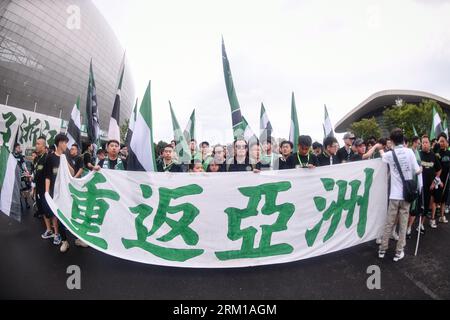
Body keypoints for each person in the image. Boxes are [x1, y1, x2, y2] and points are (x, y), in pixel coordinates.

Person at [378, 128, 421, 262]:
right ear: (403, 139)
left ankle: (382, 249)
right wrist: (421, 170)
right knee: (403, 224)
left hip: (394, 195)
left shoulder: (390, 154)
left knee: (389, 223)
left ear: (392, 141)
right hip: (406, 195)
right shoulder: (409, 152)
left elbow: (382, 155)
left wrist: (379, 147)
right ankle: (399, 252)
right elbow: (417, 170)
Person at [43, 134, 74, 253]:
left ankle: (77, 238)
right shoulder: (50, 158)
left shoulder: (66, 157)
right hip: (54, 192)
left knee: (68, 214)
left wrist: (65, 162)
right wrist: (46, 192)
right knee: (58, 215)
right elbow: (47, 176)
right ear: (60, 143)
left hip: (66, 192)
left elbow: (72, 172)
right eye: (65, 142)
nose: (67, 145)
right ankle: (64, 241)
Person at [419, 135, 442, 231]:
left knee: (428, 205)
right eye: (423, 142)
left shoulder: (433, 155)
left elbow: (439, 170)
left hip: (430, 186)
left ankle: (423, 223)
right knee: (418, 207)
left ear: (429, 144)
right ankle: (412, 226)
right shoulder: (418, 154)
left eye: (426, 142)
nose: (424, 144)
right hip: (420, 186)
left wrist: (435, 182)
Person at [434, 133, 450, 224]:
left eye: (444, 141)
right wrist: (437, 180)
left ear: (446, 142)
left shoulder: (448, 152)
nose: (442, 143)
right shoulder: (437, 152)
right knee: (436, 199)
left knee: (444, 199)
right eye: (440, 141)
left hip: (446, 179)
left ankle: (442, 216)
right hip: (438, 179)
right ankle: (433, 217)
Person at [33, 137, 48, 221]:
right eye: (36, 144)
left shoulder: (46, 158)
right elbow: (35, 171)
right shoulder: (36, 158)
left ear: (43, 146)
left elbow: (47, 175)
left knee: (46, 209)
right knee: (40, 207)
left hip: (44, 189)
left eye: (38, 144)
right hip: (38, 187)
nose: (36, 146)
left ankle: (52, 230)